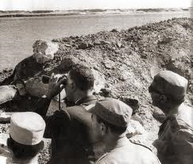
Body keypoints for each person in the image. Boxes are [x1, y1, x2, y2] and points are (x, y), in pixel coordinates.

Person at [35, 64, 98, 164]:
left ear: (72, 85)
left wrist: (49, 94)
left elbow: (34, 125)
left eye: (66, 83)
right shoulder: (101, 108)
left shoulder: (67, 115)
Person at [90, 98, 161, 164]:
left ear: (102, 128)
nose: (91, 126)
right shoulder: (148, 155)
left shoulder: (106, 162)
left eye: (92, 120)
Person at [149, 70, 193, 164]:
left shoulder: (180, 131)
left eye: (151, 89)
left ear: (162, 98)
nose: (149, 93)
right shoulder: (186, 110)